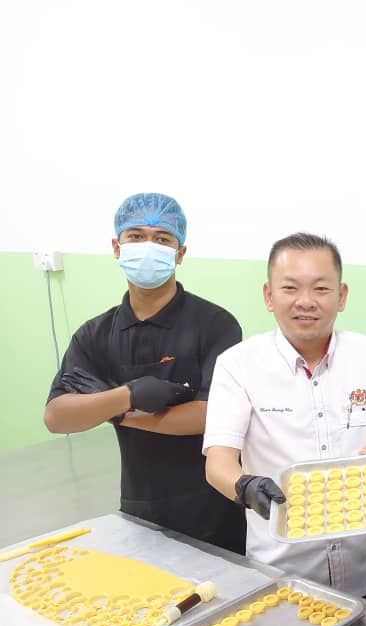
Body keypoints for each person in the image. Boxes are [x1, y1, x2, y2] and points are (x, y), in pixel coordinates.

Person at [204, 232, 366, 606]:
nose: (305, 301)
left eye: (320, 288)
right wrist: (247, 487)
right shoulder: (238, 364)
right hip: (281, 574)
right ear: (269, 296)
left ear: (341, 296)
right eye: (290, 288)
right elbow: (218, 463)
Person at [44, 192, 245, 553]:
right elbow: (58, 417)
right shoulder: (95, 334)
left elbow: (211, 415)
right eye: (136, 236)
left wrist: (114, 411)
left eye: (163, 239)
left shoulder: (215, 324)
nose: (148, 247)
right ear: (116, 247)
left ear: (180, 253)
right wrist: (127, 395)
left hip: (214, 509)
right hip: (140, 509)